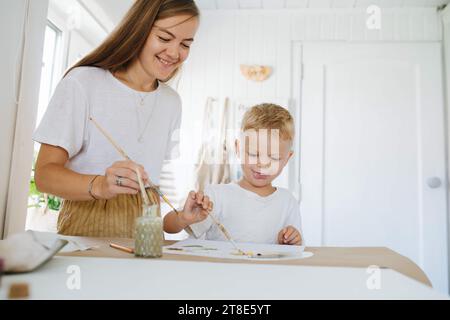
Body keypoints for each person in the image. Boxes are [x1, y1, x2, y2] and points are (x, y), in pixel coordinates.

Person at [33, 0, 200, 238]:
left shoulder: (172, 102)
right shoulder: (83, 83)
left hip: (147, 234)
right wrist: (100, 185)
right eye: (164, 38)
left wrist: (180, 216)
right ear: (138, 30)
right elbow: (44, 176)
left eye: (185, 44)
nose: (175, 53)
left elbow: (154, 188)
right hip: (87, 226)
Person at [164, 104, 303, 245]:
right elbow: (167, 226)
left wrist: (292, 241)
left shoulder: (287, 202)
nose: (262, 164)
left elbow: (296, 248)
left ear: (287, 158)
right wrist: (183, 218)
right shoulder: (216, 197)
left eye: (274, 157)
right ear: (238, 148)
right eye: (254, 154)